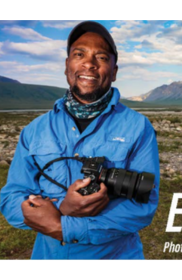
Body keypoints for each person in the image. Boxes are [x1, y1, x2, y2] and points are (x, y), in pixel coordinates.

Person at [0, 21, 159, 259]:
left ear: (114, 72)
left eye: (102, 57)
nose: (89, 63)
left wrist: (62, 226)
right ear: (67, 66)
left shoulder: (137, 126)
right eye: (79, 54)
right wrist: (64, 209)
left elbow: (143, 205)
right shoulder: (35, 130)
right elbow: (12, 197)